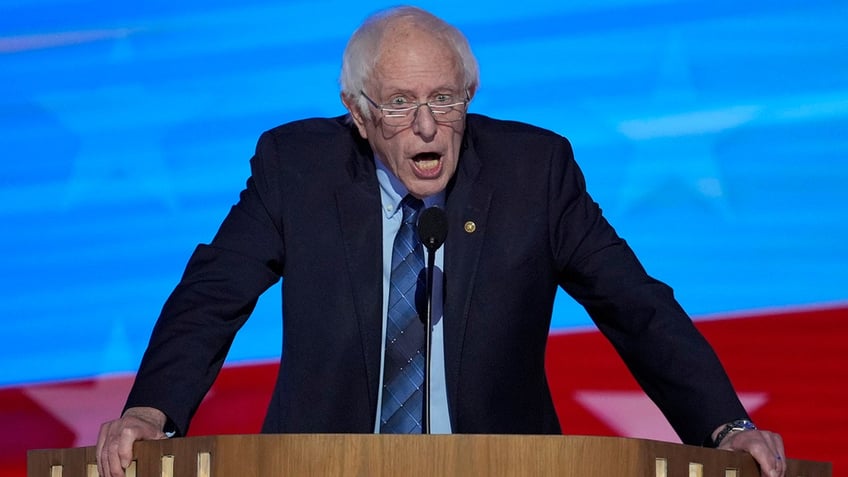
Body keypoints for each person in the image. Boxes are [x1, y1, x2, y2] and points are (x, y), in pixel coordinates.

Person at [97, 6, 786, 477]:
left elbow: (636, 306)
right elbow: (213, 293)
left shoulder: (533, 173)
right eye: (399, 104)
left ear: (469, 95)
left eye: (445, 99)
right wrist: (150, 410)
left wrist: (725, 427)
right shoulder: (296, 170)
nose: (426, 126)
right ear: (359, 115)